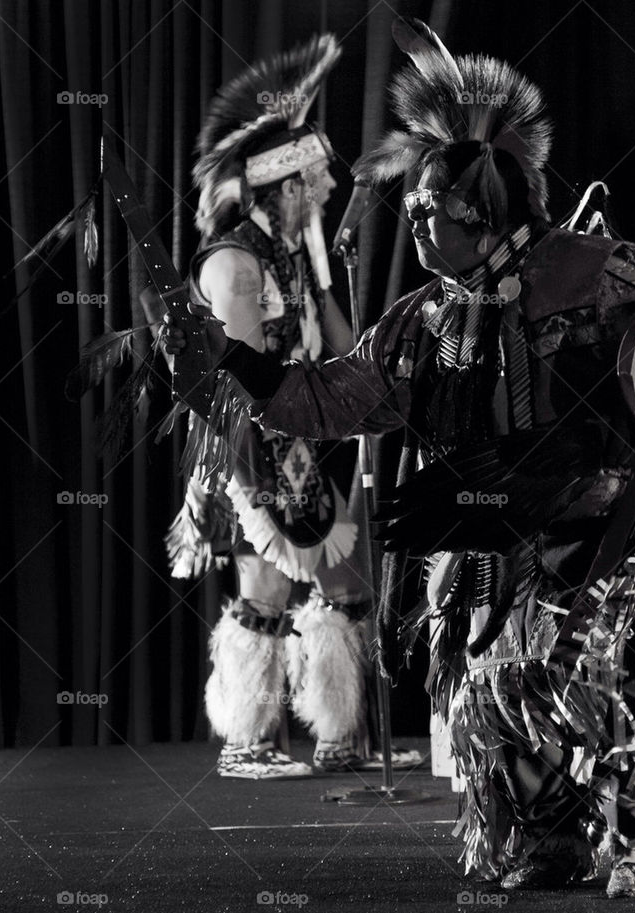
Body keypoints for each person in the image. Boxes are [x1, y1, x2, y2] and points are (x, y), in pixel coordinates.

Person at [163, 20, 635, 896]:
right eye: (418, 209)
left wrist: (579, 463)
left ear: (488, 209)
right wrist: (232, 361)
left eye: (435, 208)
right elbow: (323, 400)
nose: (419, 221)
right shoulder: (424, 320)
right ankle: (551, 836)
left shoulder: (596, 274)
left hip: (625, 538)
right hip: (502, 545)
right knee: (492, 698)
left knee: (597, 680)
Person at [165, 36, 377, 779]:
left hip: (306, 442)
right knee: (268, 584)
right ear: (281, 187)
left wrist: (338, 304)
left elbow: (345, 352)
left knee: (343, 582)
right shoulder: (234, 262)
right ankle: (247, 738)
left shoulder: (295, 259)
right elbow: (246, 376)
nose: (322, 192)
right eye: (313, 181)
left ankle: (336, 733)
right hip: (256, 447)